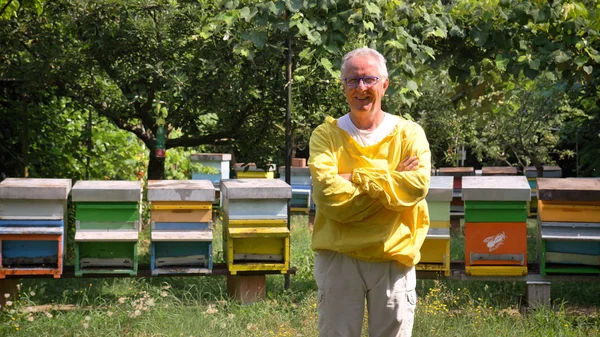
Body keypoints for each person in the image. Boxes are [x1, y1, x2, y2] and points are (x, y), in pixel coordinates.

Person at [307, 47, 431, 337]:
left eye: (369, 79)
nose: (361, 88)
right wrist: (391, 186)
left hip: (393, 256)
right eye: (352, 81)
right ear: (343, 87)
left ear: (384, 84)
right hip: (339, 259)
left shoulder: (409, 134)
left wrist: (353, 176)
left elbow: (416, 186)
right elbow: (329, 197)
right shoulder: (326, 135)